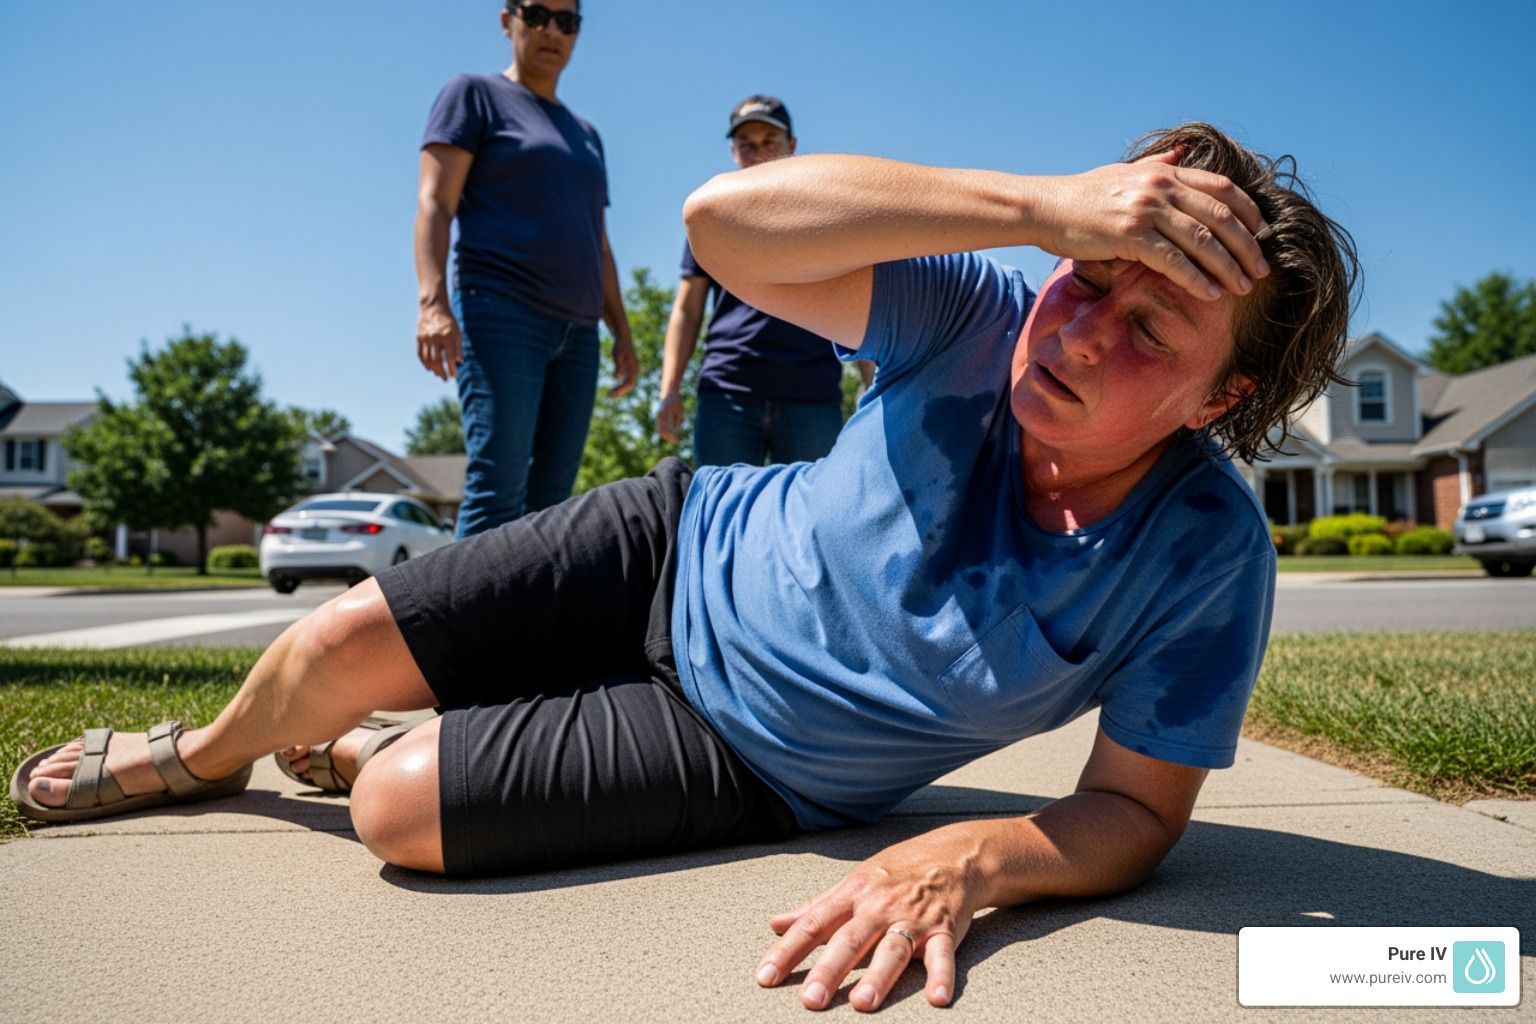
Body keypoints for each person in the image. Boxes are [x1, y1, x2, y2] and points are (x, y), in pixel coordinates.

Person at [14, 123, 1356, 1013]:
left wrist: (981, 861)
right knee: (308, 656)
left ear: (1216, 396)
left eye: (1151, 327)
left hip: (754, 755)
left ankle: (362, 748)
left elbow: (1134, 808)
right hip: (674, 539)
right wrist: (1035, 208)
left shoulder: (1204, 555)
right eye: (1091, 275)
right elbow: (725, 229)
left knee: (401, 815)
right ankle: (208, 756)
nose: (1080, 332)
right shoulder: (978, 309)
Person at [414, 0, 637, 536]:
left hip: (579, 332)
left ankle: (531, 621)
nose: (551, 31)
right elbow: (434, 204)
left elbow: (598, 243)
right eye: (537, 14)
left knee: (553, 503)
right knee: (498, 484)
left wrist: (623, 333)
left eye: (568, 21)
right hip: (501, 312)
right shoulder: (474, 96)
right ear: (507, 19)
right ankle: (466, 621)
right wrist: (432, 303)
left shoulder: (586, 134)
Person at [658, 96, 872, 466]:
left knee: (813, 521)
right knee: (723, 516)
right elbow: (687, 309)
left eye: (769, 143)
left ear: (791, 146)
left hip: (812, 396)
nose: (758, 154)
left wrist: (873, 383)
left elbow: (856, 301)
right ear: (734, 152)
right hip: (728, 392)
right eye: (747, 145)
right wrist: (669, 388)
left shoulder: (825, 214)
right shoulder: (712, 216)